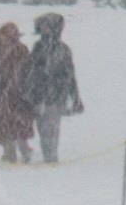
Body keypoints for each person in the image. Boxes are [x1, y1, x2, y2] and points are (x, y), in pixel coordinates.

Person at [26, 13, 84, 166]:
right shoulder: (38, 47)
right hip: (40, 94)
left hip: (55, 94)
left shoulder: (63, 50)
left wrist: (75, 97)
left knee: (51, 128)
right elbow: (32, 70)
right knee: (42, 126)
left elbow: (70, 75)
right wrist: (29, 90)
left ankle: (51, 157)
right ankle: (48, 155)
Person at [0, 21, 35, 164]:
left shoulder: (21, 50)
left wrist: (18, 85)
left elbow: (27, 71)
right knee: (5, 125)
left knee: (21, 126)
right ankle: (9, 153)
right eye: (3, 35)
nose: (4, 38)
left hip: (19, 94)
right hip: (3, 94)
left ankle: (25, 152)